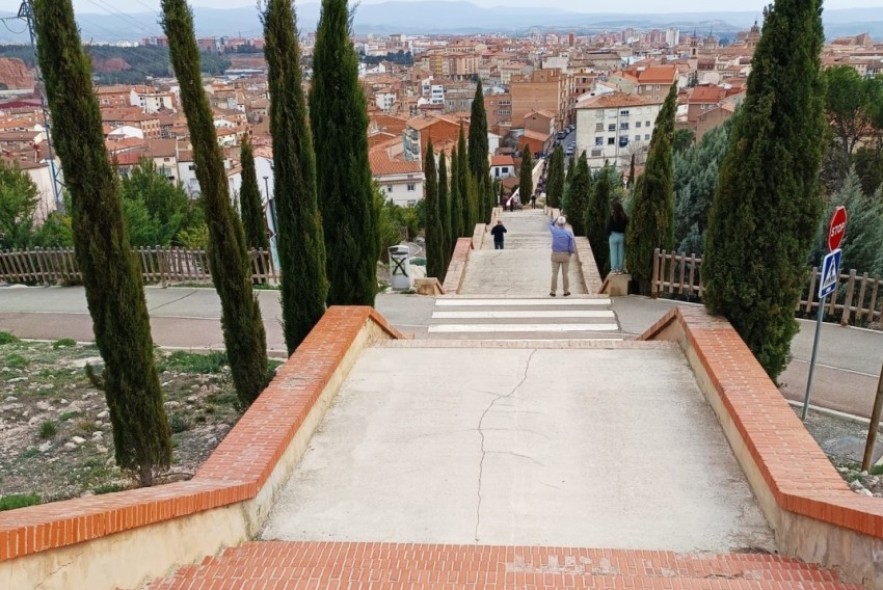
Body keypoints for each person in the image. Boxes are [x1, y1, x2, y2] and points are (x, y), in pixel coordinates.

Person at [549, 215, 575, 296]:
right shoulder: (569, 233)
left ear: (558, 223)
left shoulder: (554, 231)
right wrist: (570, 253)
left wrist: (556, 218)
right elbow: (571, 246)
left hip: (555, 254)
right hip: (565, 254)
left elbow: (550, 224)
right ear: (565, 223)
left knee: (554, 273)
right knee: (565, 274)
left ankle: (553, 292)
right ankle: (566, 291)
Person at [607, 201, 628, 274]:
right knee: (621, 253)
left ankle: (614, 269)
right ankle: (620, 269)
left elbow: (608, 227)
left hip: (613, 236)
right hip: (621, 236)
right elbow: (627, 225)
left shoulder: (613, 216)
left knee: (613, 253)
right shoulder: (624, 217)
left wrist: (609, 234)